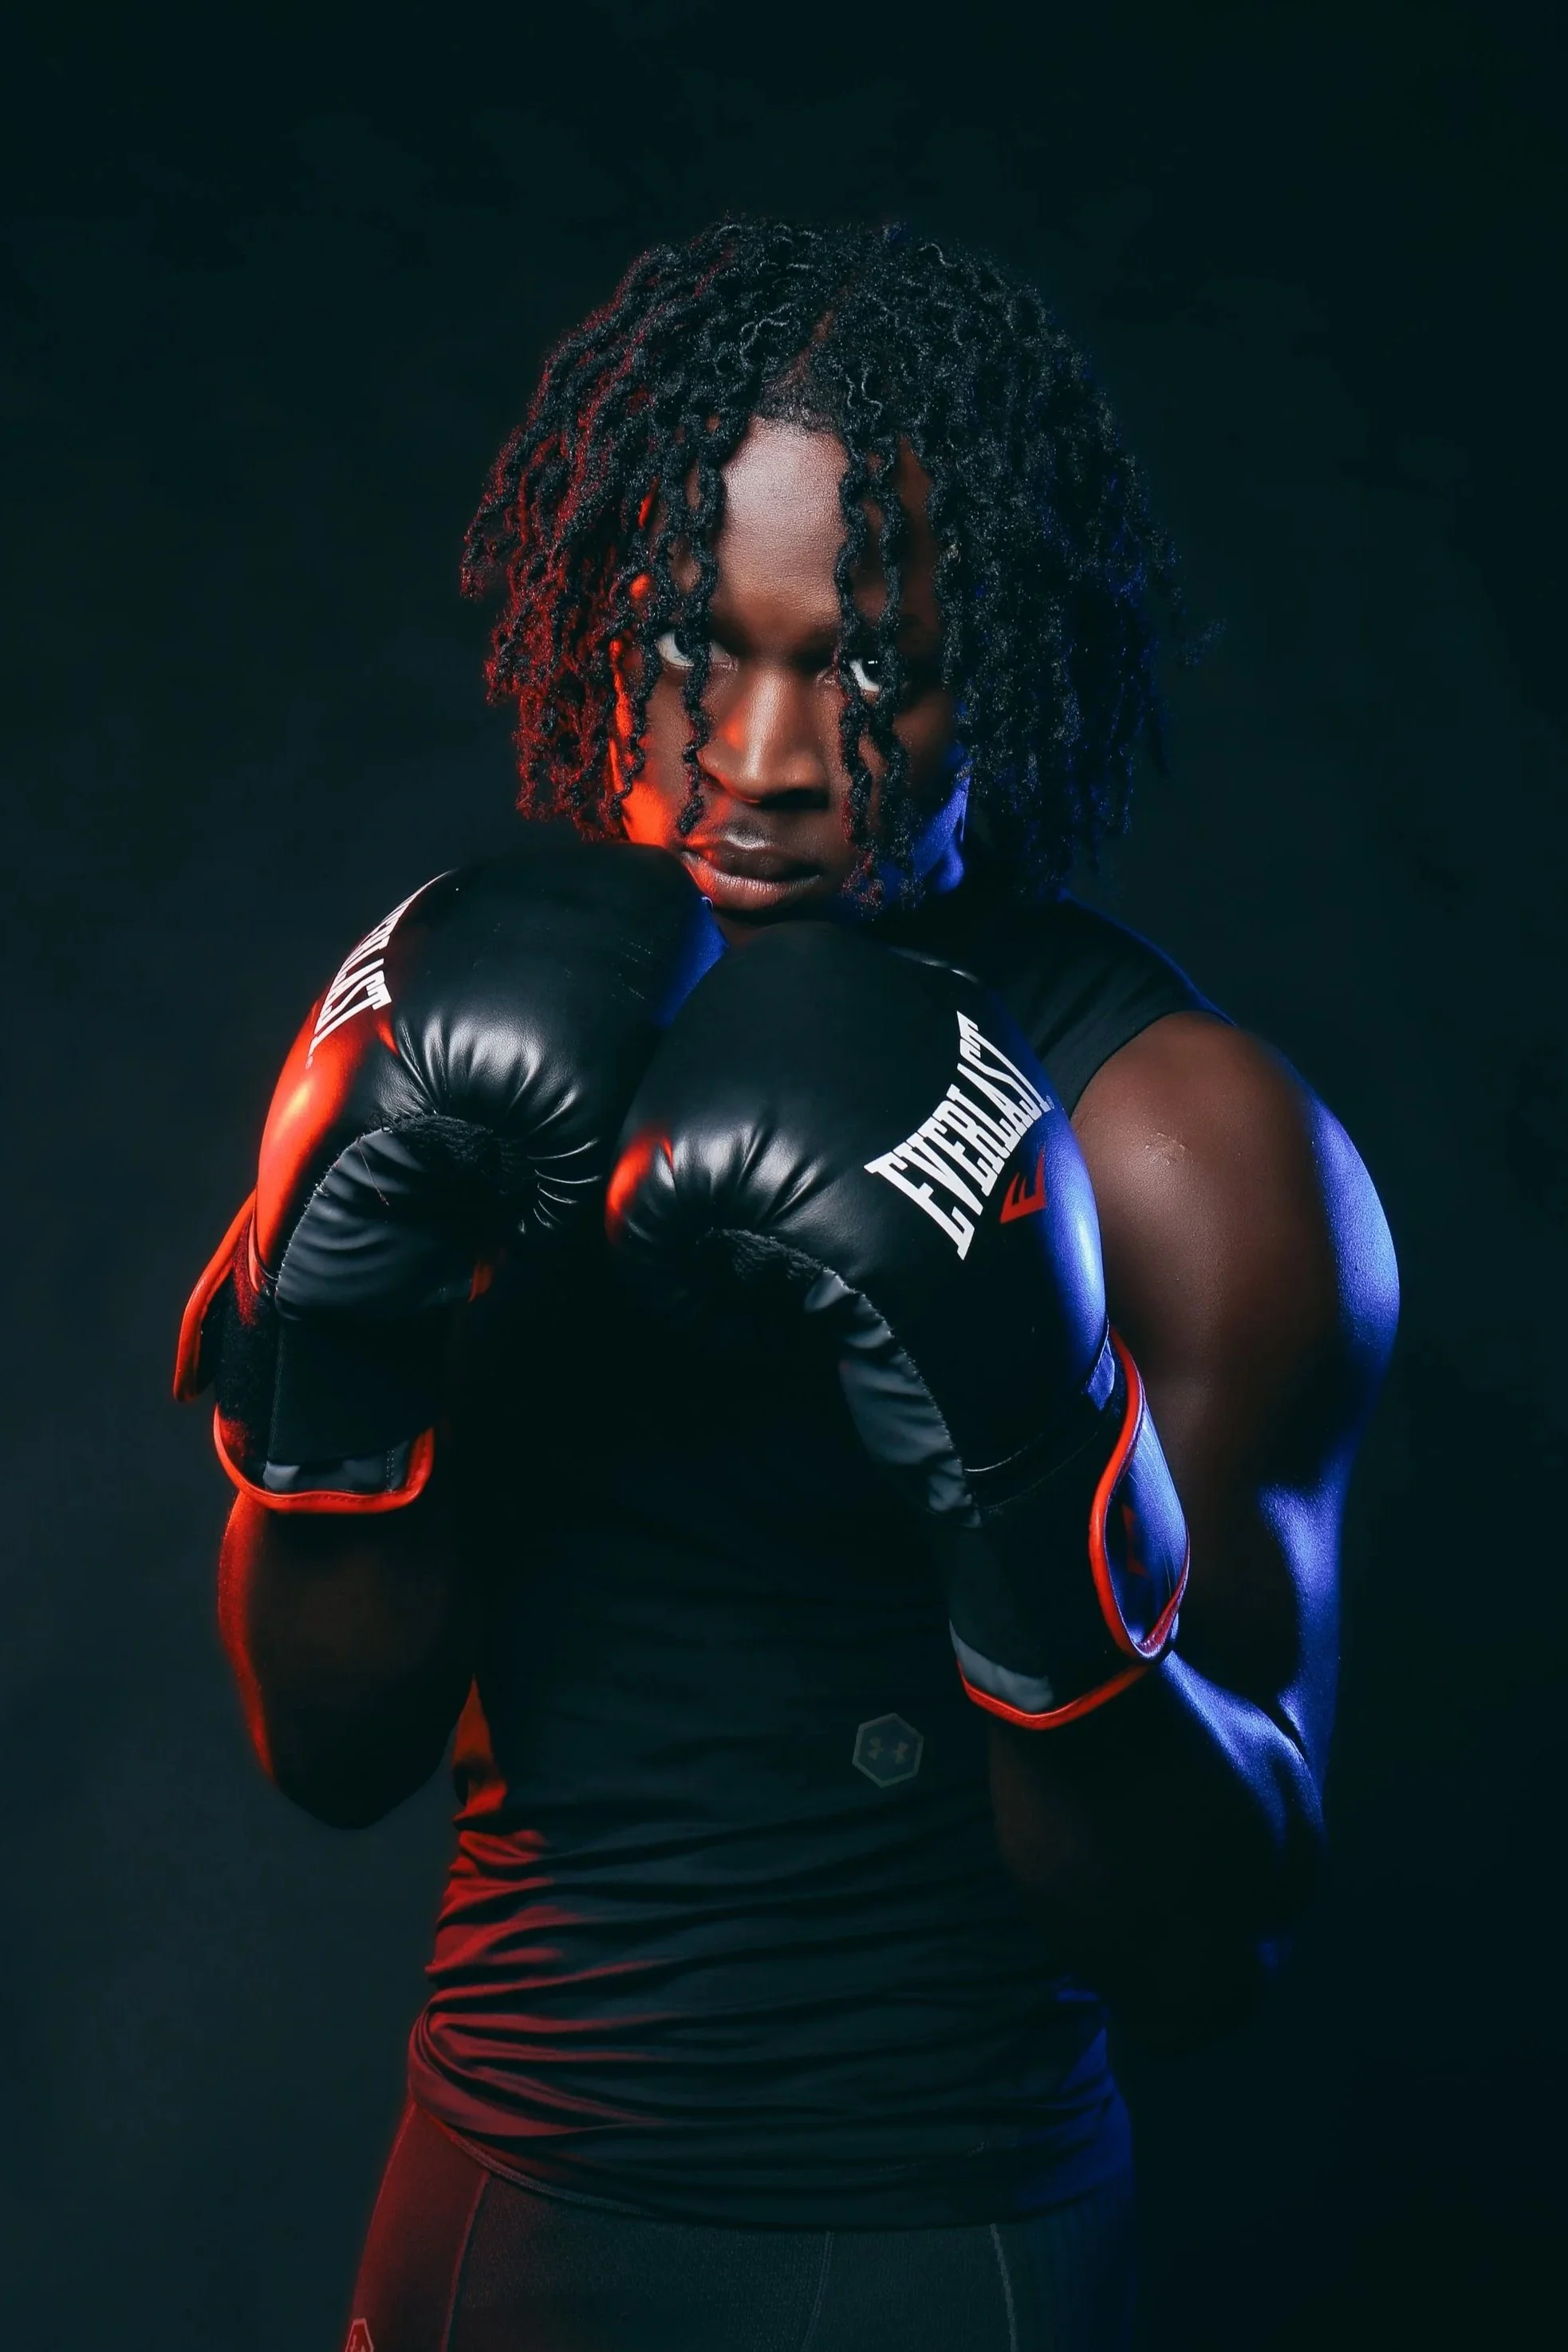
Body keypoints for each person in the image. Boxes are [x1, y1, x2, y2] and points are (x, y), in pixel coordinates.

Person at [177, 220, 1398, 2352]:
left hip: (952, 2248)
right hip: (493, 2209)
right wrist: (342, 1334)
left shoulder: (1181, 1148)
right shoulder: (464, 1053)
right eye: (690, 645)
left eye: (862, 667)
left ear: (995, 671)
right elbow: (327, 1744)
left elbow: (1209, 1950)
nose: (758, 756)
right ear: (602, 634)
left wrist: (1031, 1463)